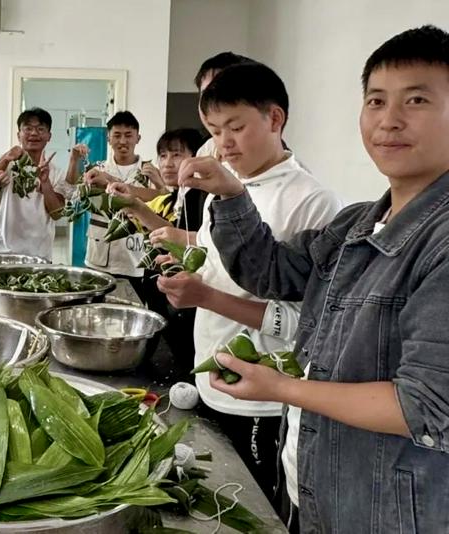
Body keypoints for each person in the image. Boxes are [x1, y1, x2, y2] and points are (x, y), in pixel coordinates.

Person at [171, 25, 449, 534]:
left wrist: (284, 388)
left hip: (384, 507)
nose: (389, 120)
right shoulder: (355, 225)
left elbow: (425, 406)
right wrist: (233, 196)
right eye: (375, 101)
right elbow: (269, 272)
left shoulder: (439, 241)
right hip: (313, 476)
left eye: (416, 100)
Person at [157, 62, 343, 500]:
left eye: (235, 127)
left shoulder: (313, 201)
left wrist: (206, 295)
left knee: (252, 506)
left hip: (263, 398)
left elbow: (302, 324)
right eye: (215, 129)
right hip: (211, 374)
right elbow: (215, 267)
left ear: (274, 118)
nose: (223, 142)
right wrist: (186, 268)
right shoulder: (228, 183)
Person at [107, 128, 207, 378]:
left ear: (196, 157)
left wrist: (135, 206)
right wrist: (132, 204)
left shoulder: (200, 197)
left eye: (177, 155)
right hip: (166, 298)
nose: (168, 163)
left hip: (186, 304)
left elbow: (182, 240)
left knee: (186, 364)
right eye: (163, 156)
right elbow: (160, 224)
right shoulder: (176, 196)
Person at [81, 111, 159, 299]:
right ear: (108, 138)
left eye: (128, 135)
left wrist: (109, 181)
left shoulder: (149, 171)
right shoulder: (96, 168)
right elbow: (84, 201)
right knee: (96, 312)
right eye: (117, 135)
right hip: (99, 255)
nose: (122, 141)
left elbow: (158, 202)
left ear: (138, 138)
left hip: (135, 257)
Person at [0, 107, 69, 260]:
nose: (34, 133)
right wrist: (5, 159)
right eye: (28, 129)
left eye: (40, 129)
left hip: (40, 255)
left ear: (49, 136)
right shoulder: (6, 163)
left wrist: (45, 183)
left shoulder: (56, 172)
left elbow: (57, 214)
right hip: (4, 252)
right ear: (19, 135)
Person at [193, 52, 256, 160]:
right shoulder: (207, 150)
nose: (212, 105)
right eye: (205, 95)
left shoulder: (267, 157)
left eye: (223, 94)